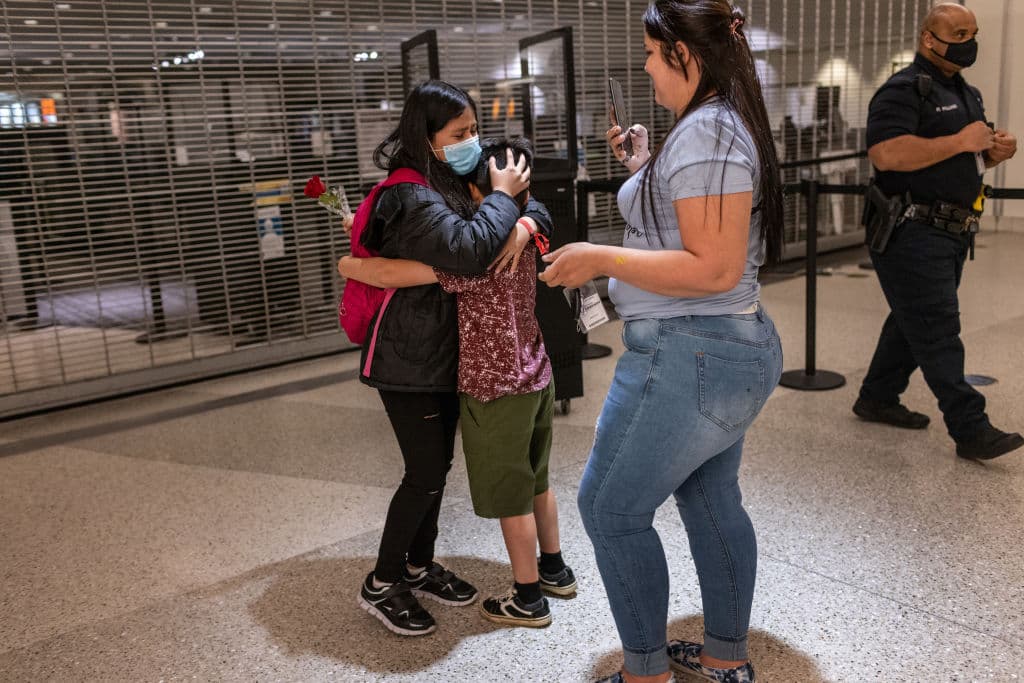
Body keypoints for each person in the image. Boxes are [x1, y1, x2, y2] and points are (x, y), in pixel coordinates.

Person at [538, 2, 783, 681]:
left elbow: (713, 266)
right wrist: (647, 163)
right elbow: (694, 234)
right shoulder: (711, 126)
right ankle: (725, 657)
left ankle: (645, 671)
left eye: (652, 53)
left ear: (687, 54)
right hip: (725, 347)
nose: (645, 67)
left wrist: (600, 256)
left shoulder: (709, 133)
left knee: (609, 508)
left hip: (688, 353)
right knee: (710, 498)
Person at [340, 137, 576, 630]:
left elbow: (398, 273)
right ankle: (555, 569)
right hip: (536, 373)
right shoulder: (527, 234)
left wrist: (351, 265)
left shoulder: (479, 255)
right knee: (538, 480)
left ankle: (528, 596)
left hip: (497, 386)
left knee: (511, 494)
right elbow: (538, 213)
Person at [853, 3, 1021, 461]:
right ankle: (971, 428)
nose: (970, 42)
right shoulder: (903, 90)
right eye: (959, 33)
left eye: (974, 32)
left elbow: (951, 158)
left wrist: (988, 154)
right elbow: (886, 154)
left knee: (914, 319)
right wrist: (963, 141)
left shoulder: (966, 91)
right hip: (911, 231)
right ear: (929, 38)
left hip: (952, 231)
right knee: (938, 328)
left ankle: (877, 397)